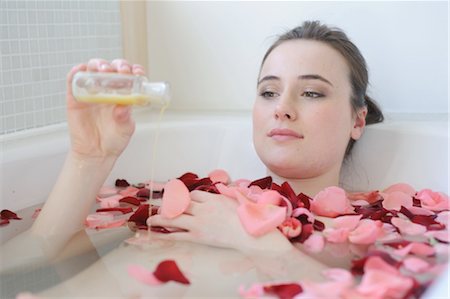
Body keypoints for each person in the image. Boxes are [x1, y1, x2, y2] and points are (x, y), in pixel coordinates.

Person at [2, 21, 387, 296]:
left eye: (312, 93)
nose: (281, 108)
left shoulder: (361, 235)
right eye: (268, 92)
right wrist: (91, 156)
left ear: (357, 119)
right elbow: (38, 255)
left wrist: (259, 243)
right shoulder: (198, 197)